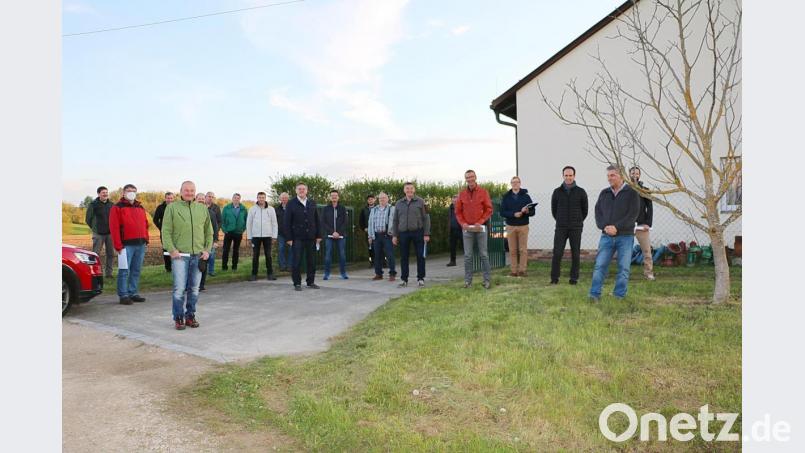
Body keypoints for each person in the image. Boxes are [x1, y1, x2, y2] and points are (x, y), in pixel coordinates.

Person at [162, 181, 213, 330]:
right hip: (180, 256)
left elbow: (209, 232)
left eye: (192, 190)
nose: (189, 193)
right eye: (186, 190)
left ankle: (190, 316)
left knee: (194, 289)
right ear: (181, 191)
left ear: (195, 192)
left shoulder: (202, 209)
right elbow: (165, 231)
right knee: (179, 289)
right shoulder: (172, 208)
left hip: (198, 256)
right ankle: (178, 318)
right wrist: (171, 249)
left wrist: (207, 249)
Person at [589, 165, 641, 302]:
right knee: (600, 266)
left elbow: (633, 214)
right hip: (606, 236)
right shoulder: (604, 193)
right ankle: (594, 294)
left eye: (612, 175)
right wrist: (604, 227)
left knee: (624, 268)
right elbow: (598, 212)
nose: (609, 178)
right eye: (608, 176)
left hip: (625, 236)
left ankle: (619, 295)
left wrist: (616, 227)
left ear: (621, 176)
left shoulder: (632, 192)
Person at [108, 184, 149, 305]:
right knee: (124, 270)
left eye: (133, 191)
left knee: (136, 270)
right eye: (129, 191)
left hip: (140, 244)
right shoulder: (117, 208)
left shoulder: (140, 207)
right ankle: (123, 295)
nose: (131, 193)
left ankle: (133, 292)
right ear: (123, 193)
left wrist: (146, 239)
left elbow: (145, 224)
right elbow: (114, 227)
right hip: (126, 245)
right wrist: (118, 245)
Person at [455, 170, 494, 289]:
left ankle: (487, 281)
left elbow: (489, 209)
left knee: (483, 254)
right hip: (467, 229)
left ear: (475, 177)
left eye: (472, 176)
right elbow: (458, 211)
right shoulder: (461, 194)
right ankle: (468, 281)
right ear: (465, 179)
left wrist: (480, 222)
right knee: (467, 256)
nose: (470, 179)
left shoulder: (483, 192)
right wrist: (463, 223)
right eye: (467, 177)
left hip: (480, 228)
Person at [550, 166, 589, 285]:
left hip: (576, 227)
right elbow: (554, 210)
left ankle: (574, 278)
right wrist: (561, 220)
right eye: (566, 175)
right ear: (563, 176)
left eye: (570, 175)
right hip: (561, 227)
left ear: (574, 176)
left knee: (575, 253)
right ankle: (554, 278)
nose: (568, 177)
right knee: (557, 252)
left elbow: (585, 210)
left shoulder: (581, 192)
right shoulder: (557, 192)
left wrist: (577, 220)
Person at [284, 182, 322, 291]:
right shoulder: (291, 203)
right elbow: (286, 222)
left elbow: (317, 220)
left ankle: (311, 282)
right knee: (296, 261)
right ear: (296, 191)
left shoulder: (312, 203)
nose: (301, 191)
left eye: (303, 189)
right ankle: (297, 283)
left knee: (312, 261)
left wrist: (318, 235)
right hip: (297, 238)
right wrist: (289, 238)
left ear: (307, 190)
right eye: (299, 189)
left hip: (311, 237)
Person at [391, 182, 430, 288]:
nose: (409, 190)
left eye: (411, 188)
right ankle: (404, 279)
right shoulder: (399, 203)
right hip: (403, 233)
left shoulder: (421, 202)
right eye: (407, 188)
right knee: (404, 257)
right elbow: (395, 220)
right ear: (404, 190)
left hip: (418, 232)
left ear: (414, 190)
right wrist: (395, 235)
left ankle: (420, 279)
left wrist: (426, 233)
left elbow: (426, 218)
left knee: (420, 256)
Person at [500, 176, 536, 277]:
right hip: (510, 226)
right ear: (511, 184)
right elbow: (502, 212)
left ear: (520, 183)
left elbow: (533, 212)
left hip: (523, 225)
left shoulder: (526, 196)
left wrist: (527, 211)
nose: (515, 184)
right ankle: (513, 271)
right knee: (512, 250)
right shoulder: (506, 197)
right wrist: (513, 214)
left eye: (517, 182)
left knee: (523, 250)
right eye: (513, 182)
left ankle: (522, 271)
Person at [630, 166, 655, 281]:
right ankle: (624, 273)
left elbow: (649, 208)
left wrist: (647, 223)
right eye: (632, 173)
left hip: (641, 225)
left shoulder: (645, 190)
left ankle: (649, 273)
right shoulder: (625, 189)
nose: (635, 175)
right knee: (624, 250)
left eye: (637, 173)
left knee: (646, 251)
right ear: (629, 174)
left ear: (639, 175)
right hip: (627, 225)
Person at [246, 191, 278, 281]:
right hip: (255, 236)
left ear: (265, 198)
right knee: (255, 256)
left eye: (263, 197)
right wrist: (249, 237)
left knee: (268, 255)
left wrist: (274, 236)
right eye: (260, 197)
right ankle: (254, 274)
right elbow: (249, 224)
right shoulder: (252, 209)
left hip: (268, 236)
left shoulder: (271, 209)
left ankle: (270, 274)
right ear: (257, 198)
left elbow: (274, 223)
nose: (261, 199)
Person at [85, 186, 115, 278]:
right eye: (103, 192)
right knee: (95, 255)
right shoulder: (93, 204)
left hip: (110, 233)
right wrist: (95, 228)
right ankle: (95, 274)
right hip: (98, 234)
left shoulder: (112, 205)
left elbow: (114, 218)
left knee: (111, 254)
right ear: (98, 194)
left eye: (106, 192)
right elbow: (88, 219)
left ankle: (109, 274)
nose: (105, 194)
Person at [368, 191, 396, 281]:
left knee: (390, 255)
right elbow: (370, 223)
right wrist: (370, 236)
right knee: (377, 256)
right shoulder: (374, 210)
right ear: (378, 200)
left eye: (384, 198)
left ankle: (392, 274)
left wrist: (395, 235)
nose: (382, 200)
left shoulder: (392, 209)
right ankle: (378, 274)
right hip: (376, 236)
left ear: (387, 199)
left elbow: (396, 222)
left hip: (387, 235)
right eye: (380, 198)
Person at [322, 189, 349, 280]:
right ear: (330, 197)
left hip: (341, 236)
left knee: (342, 254)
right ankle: (326, 274)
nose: (334, 197)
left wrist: (338, 232)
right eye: (332, 196)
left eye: (335, 196)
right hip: (329, 236)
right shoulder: (325, 209)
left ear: (338, 197)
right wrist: (332, 232)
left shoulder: (342, 208)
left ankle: (343, 273)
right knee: (328, 255)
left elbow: (345, 222)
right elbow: (323, 222)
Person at [198, 193, 220, 291]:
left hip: (206, 242)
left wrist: (215, 240)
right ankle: (189, 285)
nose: (201, 200)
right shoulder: (191, 212)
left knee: (203, 264)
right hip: (194, 243)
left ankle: (201, 285)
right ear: (195, 199)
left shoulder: (211, 213)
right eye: (199, 198)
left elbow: (215, 228)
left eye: (203, 199)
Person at [221, 193, 247, 271]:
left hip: (238, 232)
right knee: (226, 250)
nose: (236, 199)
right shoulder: (226, 208)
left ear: (240, 199)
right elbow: (222, 220)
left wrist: (243, 229)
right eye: (235, 198)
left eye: (238, 198)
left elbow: (246, 220)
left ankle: (234, 267)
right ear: (232, 198)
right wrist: (224, 230)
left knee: (236, 250)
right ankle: (224, 267)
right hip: (228, 232)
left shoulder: (243, 209)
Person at [152, 192, 175, 272]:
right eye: (168, 198)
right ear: (165, 198)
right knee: (166, 250)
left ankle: (176, 267)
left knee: (177, 249)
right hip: (165, 233)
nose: (170, 200)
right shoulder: (160, 207)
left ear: (173, 198)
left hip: (176, 233)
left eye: (171, 198)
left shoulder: (177, 207)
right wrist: (161, 228)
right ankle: (168, 268)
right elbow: (155, 220)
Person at [205, 191, 222, 277]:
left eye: (212, 197)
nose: (210, 198)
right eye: (209, 196)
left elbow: (219, 221)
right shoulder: (201, 206)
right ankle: (202, 270)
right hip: (202, 235)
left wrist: (216, 230)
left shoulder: (216, 208)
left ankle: (211, 271)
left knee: (211, 254)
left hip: (212, 234)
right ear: (205, 197)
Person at [275, 192, 292, 272]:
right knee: (281, 249)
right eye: (283, 198)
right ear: (280, 199)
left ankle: (289, 266)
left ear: (288, 199)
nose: (284, 199)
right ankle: (282, 266)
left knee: (291, 249)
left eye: (285, 198)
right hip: (281, 233)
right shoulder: (276, 209)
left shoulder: (292, 208)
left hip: (291, 233)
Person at [359, 194, 377, 267]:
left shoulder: (378, 208)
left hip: (377, 231)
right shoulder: (364, 210)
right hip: (368, 232)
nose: (370, 200)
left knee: (380, 247)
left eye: (372, 199)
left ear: (374, 200)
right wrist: (364, 228)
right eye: (369, 199)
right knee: (370, 248)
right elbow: (361, 221)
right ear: (367, 201)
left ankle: (383, 262)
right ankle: (371, 262)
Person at [447, 195, 461, 267]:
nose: (454, 201)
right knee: (452, 246)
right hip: (452, 230)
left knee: (465, 246)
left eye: (456, 200)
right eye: (453, 200)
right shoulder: (450, 208)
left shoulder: (462, 207)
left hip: (461, 229)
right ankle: (453, 261)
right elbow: (449, 218)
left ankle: (469, 261)